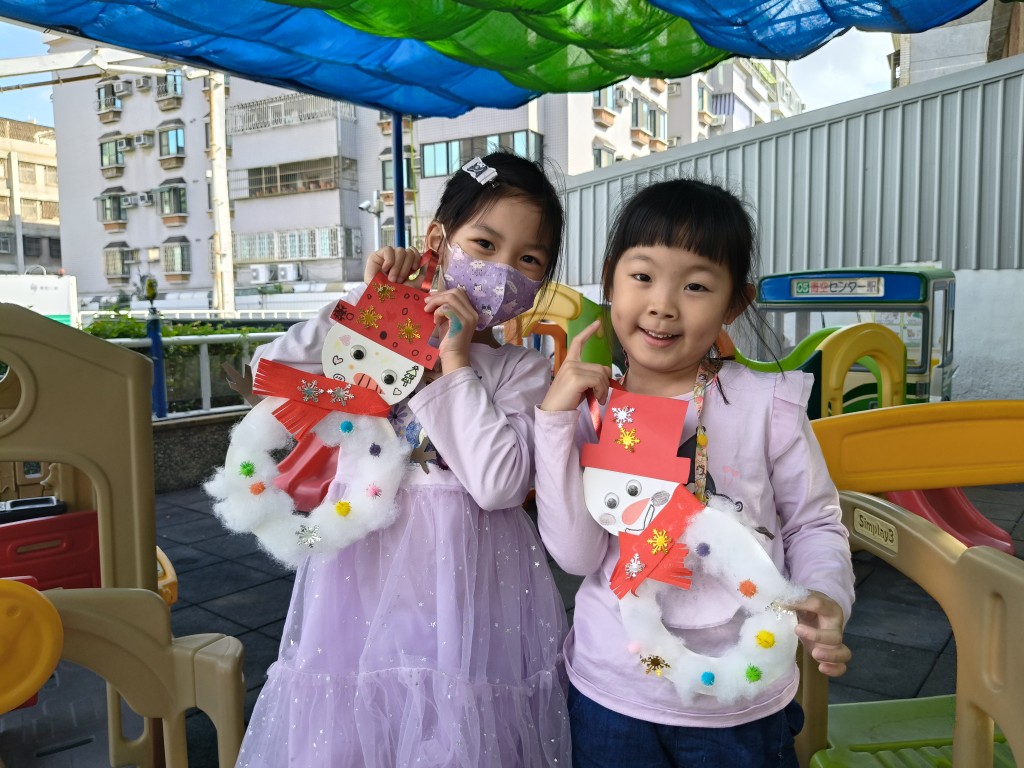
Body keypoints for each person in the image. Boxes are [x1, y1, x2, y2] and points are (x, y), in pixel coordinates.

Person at [231, 152, 571, 767]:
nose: (502, 271)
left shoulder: (521, 369)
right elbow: (270, 371)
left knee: (461, 720)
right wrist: (368, 304)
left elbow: (497, 485)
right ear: (437, 242)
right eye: (485, 244)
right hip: (361, 569)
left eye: (529, 260)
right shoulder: (373, 331)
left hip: (470, 583)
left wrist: (456, 361)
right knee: (355, 717)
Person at [533, 178, 854, 767]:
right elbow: (577, 556)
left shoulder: (769, 406)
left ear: (735, 302)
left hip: (742, 697)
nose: (663, 304)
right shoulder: (592, 411)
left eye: (697, 285)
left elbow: (813, 523)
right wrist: (554, 422)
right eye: (642, 276)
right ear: (609, 281)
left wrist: (825, 593)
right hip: (615, 693)